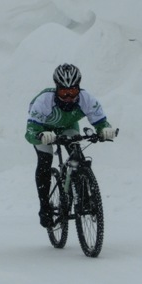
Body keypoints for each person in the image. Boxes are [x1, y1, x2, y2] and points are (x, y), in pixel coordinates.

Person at [25, 63, 116, 228]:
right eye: (63, 92)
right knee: (45, 160)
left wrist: (105, 130)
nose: (68, 96)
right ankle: (45, 206)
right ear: (56, 88)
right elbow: (30, 132)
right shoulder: (43, 101)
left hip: (68, 127)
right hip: (44, 129)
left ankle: (83, 196)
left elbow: (101, 122)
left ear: (78, 89)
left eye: (72, 91)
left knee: (77, 154)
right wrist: (40, 135)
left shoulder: (86, 99)